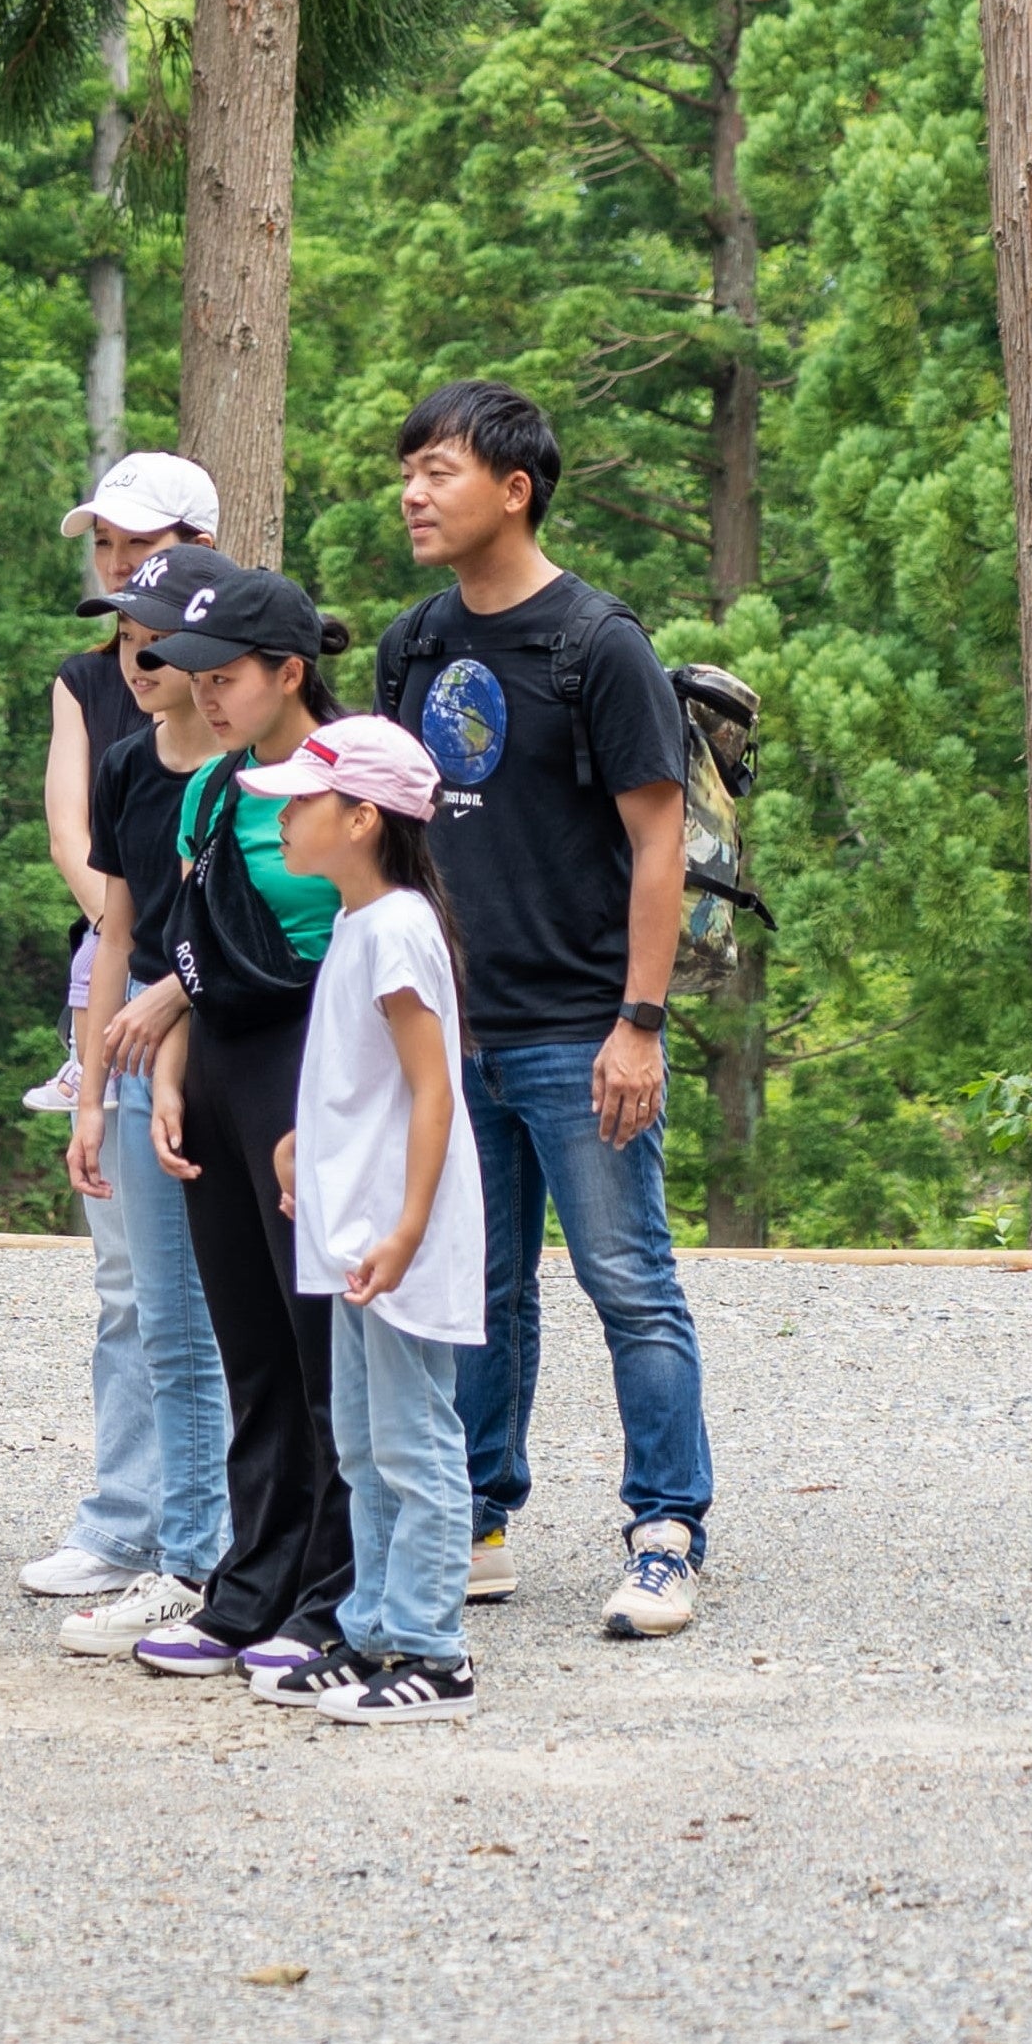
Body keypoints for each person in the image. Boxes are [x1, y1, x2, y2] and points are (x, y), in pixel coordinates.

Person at [378, 380, 711, 1639]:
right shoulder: (411, 644)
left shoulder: (595, 641)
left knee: (628, 1280)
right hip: (451, 1028)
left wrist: (639, 1021)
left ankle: (665, 1528)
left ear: (514, 489)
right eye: (407, 470)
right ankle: (474, 1518)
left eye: (439, 470)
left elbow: (658, 843)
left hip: (579, 1026)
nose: (412, 493)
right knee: (480, 1285)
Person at [129, 566, 358, 1688]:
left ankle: (333, 1594)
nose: (207, 696)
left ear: (289, 671)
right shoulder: (212, 791)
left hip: (316, 1060)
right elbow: (192, 946)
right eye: (197, 678)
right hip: (222, 1066)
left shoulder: (354, 777)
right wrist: (171, 1079)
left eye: (226, 677)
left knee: (322, 1346)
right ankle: (251, 1582)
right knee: (250, 1348)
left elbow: (388, 934)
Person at [244, 719, 489, 1724]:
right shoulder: (358, 925)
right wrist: (302, 1146)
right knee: (363, 1442)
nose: (285, 818)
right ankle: (376, 1628)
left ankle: (435, 1650)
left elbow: (433, 1089)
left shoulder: (395, 928)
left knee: (414, 1441)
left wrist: (408, 1225)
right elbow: (365, 1080)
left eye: (303, 802)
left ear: (361, 819)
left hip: (395, 1236)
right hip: (357, 1234)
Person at [23, 455, 225, 1603]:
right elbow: (79, 833)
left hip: (204, 993)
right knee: (128, 1280)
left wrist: (168, 960)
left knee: (218, 1282)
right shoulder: (90, 688)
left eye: (137, 544)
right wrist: (129, 929)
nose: (114, 563)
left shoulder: (242, 685)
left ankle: (215, 1530)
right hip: (115, 972)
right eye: (103, 543)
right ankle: (126, 1515)